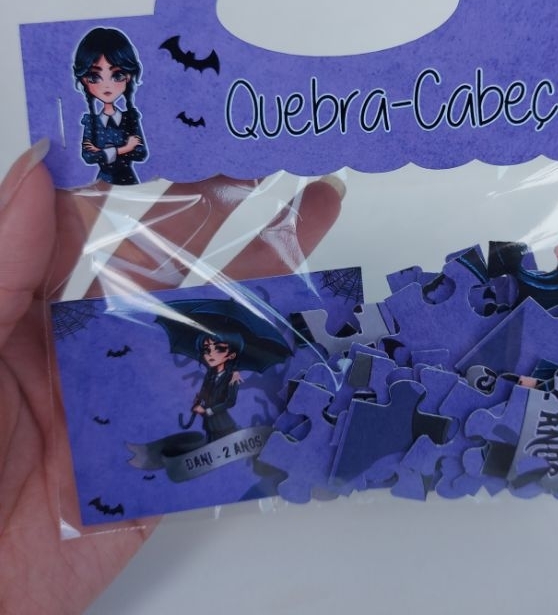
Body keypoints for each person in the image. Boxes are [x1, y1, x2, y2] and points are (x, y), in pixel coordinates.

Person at [0, 139, 344, 614]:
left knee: (222, 435)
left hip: (221, 424)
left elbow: (222, 394)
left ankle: (226, 453)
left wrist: (217, 398)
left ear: (231, 352)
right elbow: (204, 387)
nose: (211, 351)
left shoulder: (230, 375)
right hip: (179, 429)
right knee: (210, 437)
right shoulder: (207, 371)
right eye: (208, 347)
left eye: (217, 348)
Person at [74, 27, 148, 185]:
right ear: (84, 80)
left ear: (128, 76)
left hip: (129, 181)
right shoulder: (91, 122)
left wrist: (102, 151)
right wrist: (125, 148)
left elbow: (140, 153)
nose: (107, 86)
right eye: (94, 76)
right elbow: (88, 156)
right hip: (103, 183)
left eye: (117, 75)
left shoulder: (130, 118)